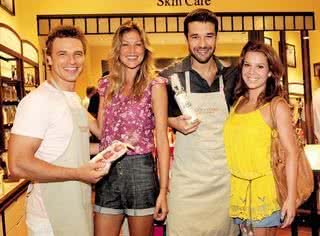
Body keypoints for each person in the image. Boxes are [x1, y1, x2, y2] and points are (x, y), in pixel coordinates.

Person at [8, 25, 106, 236]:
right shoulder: (38, 101)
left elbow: (67, 145)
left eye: (77, 54)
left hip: (76, 208)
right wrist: (78, 174)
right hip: (50, 218)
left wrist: (109, 150)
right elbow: (17, 164)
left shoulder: (74, 100)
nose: (72, 61)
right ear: (49, 59)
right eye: (63, 54)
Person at [160, 8, 239, 235]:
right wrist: (171, 122)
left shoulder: (231, 76)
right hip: (187, 187)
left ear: (217, 37)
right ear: (186, 38)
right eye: (195, 37)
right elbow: (149, 119)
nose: (202, 44)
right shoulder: (169, 77)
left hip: (224, 185)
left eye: (209, 36)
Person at [94, 21, 170, 236]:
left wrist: (163, 191)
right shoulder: (105, 85)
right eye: (126, 45)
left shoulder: (155, 85)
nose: (132, 51)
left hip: (140, 171)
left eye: (138, 44)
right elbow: (102, 133)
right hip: (107, 169)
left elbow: (162, 141)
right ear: (117, 50)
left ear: (145, 49)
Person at [223, 41, 298, 235]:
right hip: (239, 192)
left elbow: (292, 153)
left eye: (260, 66)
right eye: (247, 65)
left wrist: (290, 198)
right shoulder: (238, 102)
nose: (252, 72)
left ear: (271, 71)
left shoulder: (276, 105)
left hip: (265, 192)